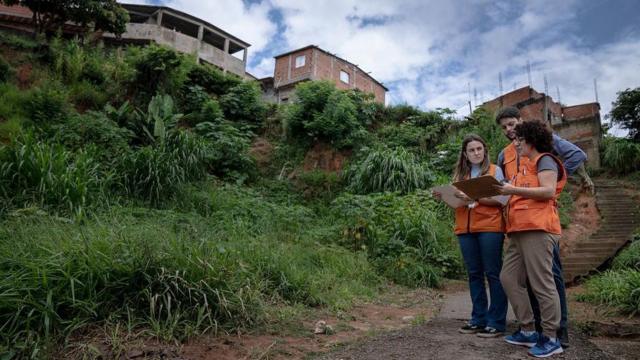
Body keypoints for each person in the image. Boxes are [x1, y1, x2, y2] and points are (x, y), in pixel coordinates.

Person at [495, 106, 587, 347]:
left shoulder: (546, 159)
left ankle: (553, 335)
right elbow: (510, 192)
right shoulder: (513, 159)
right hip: (517, 227)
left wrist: (516, 189)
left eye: (516, 134)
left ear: (530, 139)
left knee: (544, 282)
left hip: (538, 226)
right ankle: (528, 329)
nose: (512, 138)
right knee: (509, 278)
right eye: (505, 128)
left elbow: (547, 190)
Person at [433, 134, 508, 338]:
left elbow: (501, 200)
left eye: (479, 149)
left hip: (489, 228)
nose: (476, 153)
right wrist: (444, 197)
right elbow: (458, 204)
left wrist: (474, 197)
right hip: (465, 229)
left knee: (493, 273)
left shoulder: (495, 170)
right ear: (465, 154)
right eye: (471, 150)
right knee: (474, 274)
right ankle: (478, 319)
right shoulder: (460, 175)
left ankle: (496, 322)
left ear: (484, 150)